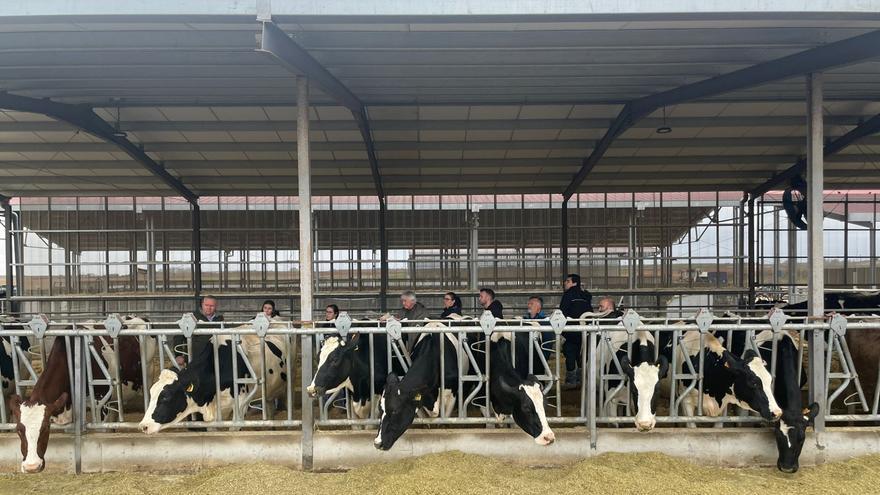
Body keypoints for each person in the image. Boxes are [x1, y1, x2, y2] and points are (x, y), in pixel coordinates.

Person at [559, 274, 593, 389]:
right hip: (584, 331)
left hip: (571, 331)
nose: (565, 283)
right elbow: (590, 312)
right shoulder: (586, 296)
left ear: (574, 283)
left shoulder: (568, 295)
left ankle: (571, 381)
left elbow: (562, 312)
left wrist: (563, 331)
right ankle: (582, 380)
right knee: (582, 355)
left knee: (570, 354)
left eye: (568, 281)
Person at [174, 295, 223, 367]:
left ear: (216, 306)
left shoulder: (220, 319)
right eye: (206, 305)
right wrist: (178, 355)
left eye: (212, 306)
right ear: (202, 305)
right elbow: (178, 335)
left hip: (214, 357)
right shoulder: (192, 317)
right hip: (195, 358)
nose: (209, 308)